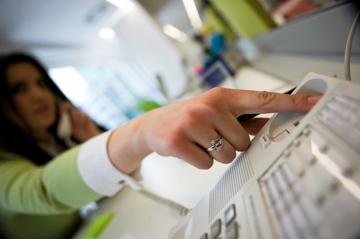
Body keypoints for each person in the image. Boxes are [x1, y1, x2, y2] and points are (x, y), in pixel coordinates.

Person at [0, 52, 321, 238]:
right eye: (19, 90)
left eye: (41, 83)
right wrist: (141, 131)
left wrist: (89, 141)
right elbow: (41, 191)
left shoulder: (56, 140)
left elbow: (126, 176)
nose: (38, 95)